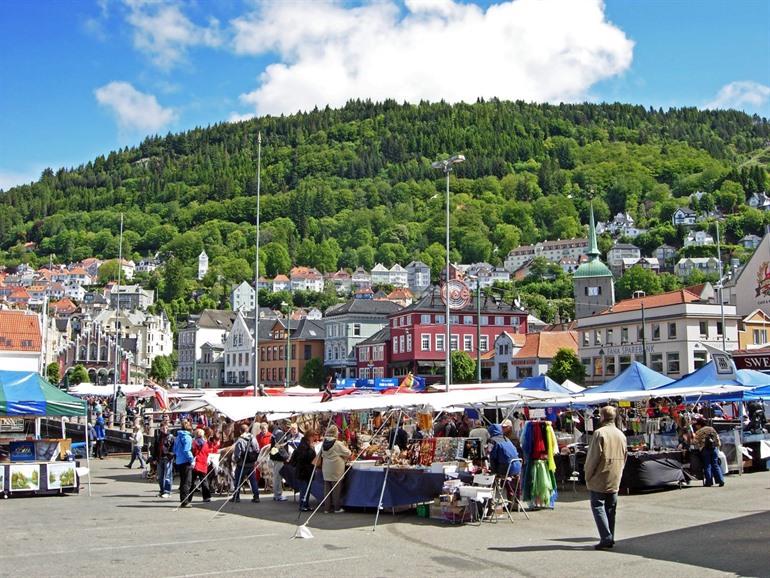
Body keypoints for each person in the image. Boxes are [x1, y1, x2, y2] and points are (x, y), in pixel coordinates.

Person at [584, 406, 627, 550]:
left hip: (600, 475)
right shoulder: (621, 434)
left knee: (598, 505)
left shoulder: (600, 433)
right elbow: (625, 456)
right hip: (615, 474)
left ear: (602, 417)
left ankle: (606, 537)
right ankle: (610, 536)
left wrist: (587, 475)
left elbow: (593, 458)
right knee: (611, 507)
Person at [321, 425, 351, 513]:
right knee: (336, 490)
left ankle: (327, 508)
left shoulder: (323, 443)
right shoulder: (337, 444)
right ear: (335, 433)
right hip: (336, 469)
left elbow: (322, 455)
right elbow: (348, 453)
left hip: (326, 468)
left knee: (327, 489)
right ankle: (337, 508)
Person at [288, 429, 317, 511]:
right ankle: (302, 505)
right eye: (313, 437)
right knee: (304, 489)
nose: (314, 439)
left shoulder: (306, 444)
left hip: (307, 471)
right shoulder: (303, 445)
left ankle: (306, 505)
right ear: (309, 437)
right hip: (303, 471)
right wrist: (312, 449)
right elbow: (305, 457)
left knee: (307, 489)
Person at [231, 423, 260, 503]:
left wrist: (237, 461)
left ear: (241, 431)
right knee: (253, 481)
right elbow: (257, 449)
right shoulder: (253, 438)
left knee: (238, 481)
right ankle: (256, 496)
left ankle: (236, 497)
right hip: (251, 463)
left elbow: (237, 454)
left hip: (242, 464)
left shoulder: (240, 440)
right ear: (248, 430)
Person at [693, 418, 724, 487]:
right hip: (714, 448)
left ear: (699, 425)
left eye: (696, 425)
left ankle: (709, 482)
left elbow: (694, 442)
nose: (695, 426)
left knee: (707, 465)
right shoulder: (711, 429)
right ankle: (721, 480)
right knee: (715, 464)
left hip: (705, 449)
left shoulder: (699, 432)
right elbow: (717, 438)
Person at [173, 420, 194, 508]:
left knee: (182, 481)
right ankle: (185, 501)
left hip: (179, 460)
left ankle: (182, 499)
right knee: (187, 482)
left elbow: (174, 449)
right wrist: (191, 459)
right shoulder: (187, 437)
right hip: (185, 461)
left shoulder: (178, 436)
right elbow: (187, 450)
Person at [154, 422, 175, 498]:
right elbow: (155, 448)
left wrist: (170, 455)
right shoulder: (158, 436)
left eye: (166, 428)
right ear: (160, 429)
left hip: (167, 458)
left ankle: (167, 491)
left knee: (168, 475)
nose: (165, 429)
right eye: (163, 428)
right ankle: (162, 490)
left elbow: (173, 448)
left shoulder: (171, 437)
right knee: (160, 476)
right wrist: (154, 458)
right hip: (159, 458)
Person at [269, 422, 289, 501]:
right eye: (287, 427)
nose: (287, 429)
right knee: (277, 476)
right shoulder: (280, 432)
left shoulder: (276, 430)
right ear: (283, 425)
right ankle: (278, 494)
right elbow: (279, 446)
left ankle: (276, 494)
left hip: (275, 455)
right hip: (278, 457)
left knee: (276, 476)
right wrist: (286, 456)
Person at [191, 428, 212, 502]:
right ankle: (206, 497)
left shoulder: (194, 442)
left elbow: (193, 452)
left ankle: (189, 498)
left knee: (192, 481)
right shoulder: (205, 443)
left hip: (196, 463)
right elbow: (207, 452)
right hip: (203, 463)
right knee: (204, 480)